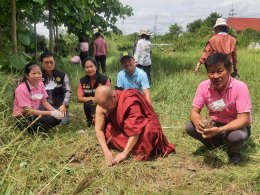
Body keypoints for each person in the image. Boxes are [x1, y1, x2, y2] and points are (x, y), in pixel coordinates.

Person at [186, 53, 252, 164]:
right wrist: (198, 123)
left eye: (220, 71)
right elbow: (194, 111)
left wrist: (221, 130)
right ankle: (215, 146)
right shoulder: (203, 86)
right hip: (215, 123)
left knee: (236, 137)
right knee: (190, 127)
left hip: (236, 126)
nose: (215, 76)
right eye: (211, 72)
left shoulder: (240, 87)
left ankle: (233, 152)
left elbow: (244, 119)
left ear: (229, 69)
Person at [94, 86, 175, 166]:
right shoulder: (103, 105)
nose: (105, 110)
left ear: (114, 97)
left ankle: (140, 149)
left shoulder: (129, 100)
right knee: (107, 130)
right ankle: (135, 148)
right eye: (103, 107)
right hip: (121, 130)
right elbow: (99, 129)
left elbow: (135, 131)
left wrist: (124, 153)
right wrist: (106, 151)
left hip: (138, 131)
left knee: (150, 129)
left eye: (107, 106)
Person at [13, 62, 64, 132]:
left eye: (39, 73)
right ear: (27, 75)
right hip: (23, 117)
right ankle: (31, 131)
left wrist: (55, 111)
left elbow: (44, 102)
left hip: (34, 113)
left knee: (59, 117)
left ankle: (38, 130)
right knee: (50, 119)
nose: (37, 76)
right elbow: (28, 111)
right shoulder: (21, 89)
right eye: (33, 73)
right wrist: (51, 113)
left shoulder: (40, 84)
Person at [77, 56, 110, 127]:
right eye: (87, 67)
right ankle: (90, 121)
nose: (89, 69)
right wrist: (92, 98)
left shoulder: (104, 80)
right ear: (84, 69)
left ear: (96, 67)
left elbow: (107, 98)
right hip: (89, 105)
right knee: (88, 103)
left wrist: (97, 100)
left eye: (91, 66)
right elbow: (79, 98)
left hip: (102, 105)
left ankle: (103, 120)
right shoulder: (82, 81)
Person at [40, 51, 71, 124]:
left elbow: (68, 91)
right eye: (46, 62)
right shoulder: (38, 75)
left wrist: (64, 105)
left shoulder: (62, 75)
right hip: (42, 106)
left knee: (63, 121)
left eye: (51, 62)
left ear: (55, 62)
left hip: (58, 105)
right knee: (43, 120)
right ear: (42, 63)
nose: (49, 64)